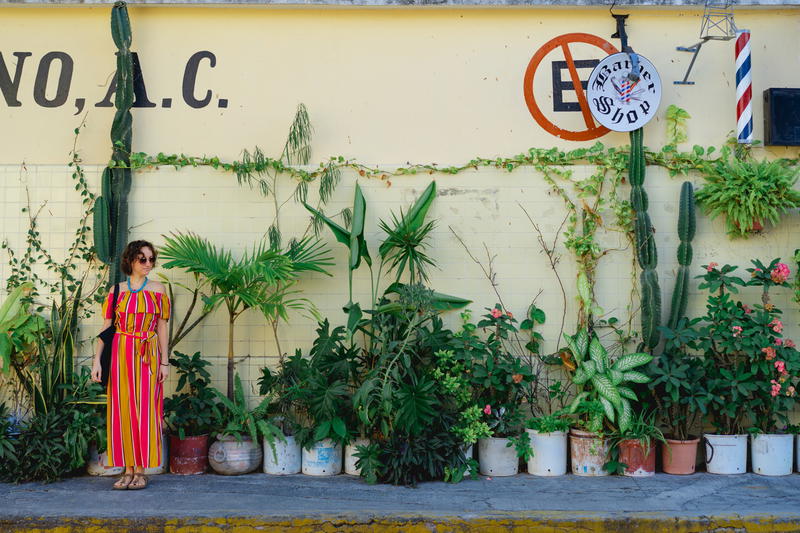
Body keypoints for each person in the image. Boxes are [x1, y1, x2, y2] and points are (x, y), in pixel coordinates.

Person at [91, 240, 171, 490]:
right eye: (143, 259)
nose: (149, 264)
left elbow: (162, 327)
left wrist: (165, 362)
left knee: (146, 411)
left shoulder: (159, 289)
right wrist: (97, 361)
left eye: (151, 259)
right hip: (121, 353)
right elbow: (106, 329)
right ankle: (126, 469)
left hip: (148, 354)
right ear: (130, 261)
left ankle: (141, 470)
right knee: (122, 410)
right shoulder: (116, 291)